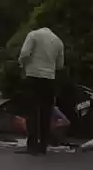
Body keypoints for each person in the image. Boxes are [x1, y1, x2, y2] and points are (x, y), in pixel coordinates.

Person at [18, 23, 64, 154]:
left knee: (31, 111)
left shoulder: (33, 35)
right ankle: (43, 145)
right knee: (46, 112)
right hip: (49, 78)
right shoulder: (58, 41)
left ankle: (32, 145)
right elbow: (60, 65)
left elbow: (25, 53)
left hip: (33, 76)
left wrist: (22, 65)